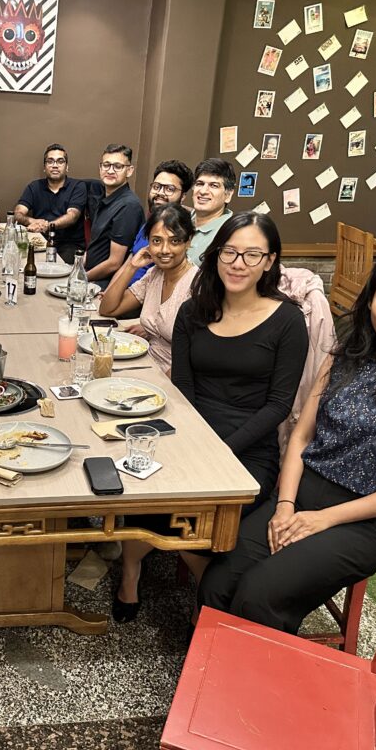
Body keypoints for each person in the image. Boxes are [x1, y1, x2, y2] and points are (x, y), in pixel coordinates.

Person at [199, 248, 376, 634]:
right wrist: (285, 505)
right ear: (371, 298)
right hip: (302, 493)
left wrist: (323, 519)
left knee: (259, 594)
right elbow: (302, 436)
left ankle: (252, 670)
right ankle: (213, 663)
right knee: (217, 582)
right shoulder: (345, 354)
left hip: (367, 520)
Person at [114, 212, 308, 623]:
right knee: (139, 477)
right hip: (191, 427)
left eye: (252, 255)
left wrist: (220, 448)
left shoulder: (288, 320)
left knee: (206, 507)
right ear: (216, 254)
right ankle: (131, 569)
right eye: (229, 252)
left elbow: (278, 405)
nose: (238, 263)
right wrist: (191, 441)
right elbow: (184, 387)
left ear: (270, 261)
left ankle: (209, 596)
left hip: (248, 445)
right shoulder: (194, 311)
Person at [99, 204, 198, 373]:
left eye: (174, 241)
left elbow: (199, 355)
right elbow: (107, 309)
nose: (164, 250)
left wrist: (162, 380)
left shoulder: (197, 284)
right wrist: (132, 266)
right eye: (156, 241)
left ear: (188, 241)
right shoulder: (155, 274)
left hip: (174, 375)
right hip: (147, 361)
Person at [84, 144, 145, 288]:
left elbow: (114, 263)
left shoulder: (128, 206)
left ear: (129, 171)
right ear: (100, 168)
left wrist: (80, 278)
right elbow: (95, 245)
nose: (110, 170)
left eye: (118, 166)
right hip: (90, 276)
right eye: (106, 165)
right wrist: (77, 268)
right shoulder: (105, 198)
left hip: (106, 284)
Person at [14, 144, 88, 262]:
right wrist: (32, 221)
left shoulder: (78, 187)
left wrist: (47, 226)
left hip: (69, 245)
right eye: (50, 161)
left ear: (67, 167)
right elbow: (18, 213)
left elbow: (72, 216)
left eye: (60, 161)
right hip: (40, 242)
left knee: (55, 267)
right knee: (18, 260)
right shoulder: (34, 186)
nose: (55, 165)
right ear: (44, 167)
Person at [128, 159, 194, 285]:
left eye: (169, 189)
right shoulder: (148, 224)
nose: (160, 193)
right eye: (156, 187)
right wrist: (110, 291)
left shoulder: (180, 231)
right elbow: (130, 262)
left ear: (183, 196)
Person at [187, 158, 235, 266]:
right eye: (200, 184)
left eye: (214, 185)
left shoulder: (231, 233)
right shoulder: (180, 220)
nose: (203, 191)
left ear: (228, 195)